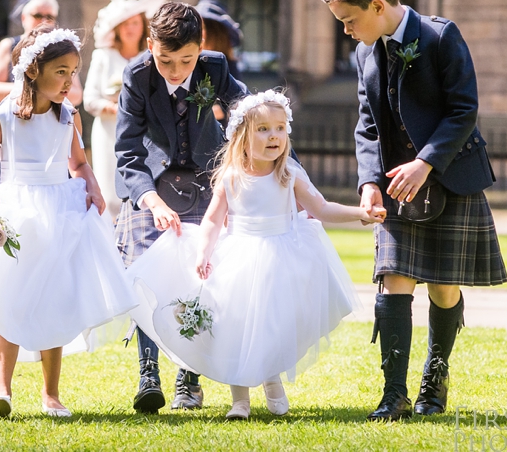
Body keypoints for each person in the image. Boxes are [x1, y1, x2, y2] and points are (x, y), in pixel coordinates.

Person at [321, 0, 507, 421]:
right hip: (395, 189)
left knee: (444, 289)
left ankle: (435, 379)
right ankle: (394, 394)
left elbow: (464, 111)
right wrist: (368, 183)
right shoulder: (365, 52)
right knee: (393, 281)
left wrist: (424, 163)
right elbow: (367, 125)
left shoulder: (441, 36)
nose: (345, 30)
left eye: (348, 19)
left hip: (449, 179)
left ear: (378, 6)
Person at [125, 90, 386, 420]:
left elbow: (320, 208)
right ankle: (240, 400)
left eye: (279, 128)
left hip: (281, 257)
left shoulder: (289, 173)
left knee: (272, 325)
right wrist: (203, 253)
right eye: (263, 129)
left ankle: (272, 380)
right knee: (236, 326)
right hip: (240, 257)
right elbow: (211, 222)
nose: (273, 136)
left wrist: (358, 214)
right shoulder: (232, 177)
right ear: (242, 137)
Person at [0, 24, 137, 419]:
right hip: (18, 208)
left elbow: (78, 162)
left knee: (55, 299)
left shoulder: (68, 117)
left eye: (73, 72)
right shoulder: (7, 116)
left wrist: (93, 189)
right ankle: (3, 389)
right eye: (61, 71)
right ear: (34, 71)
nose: (69, 81)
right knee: (11, 297)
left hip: (60, 210)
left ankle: (52, 394)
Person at [114, 1, 248, 413]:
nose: (175, 70)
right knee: (144, 277)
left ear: (200, 46)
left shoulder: (216, 68)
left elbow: (252, 115)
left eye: (186, 60)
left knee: (198, 279)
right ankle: (148, 372)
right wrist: (150, 200)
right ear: (150, 44)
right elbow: (127, 153)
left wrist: (291, 181)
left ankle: (188, 378)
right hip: (152, 187)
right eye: (165, 59)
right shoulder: (136, 76)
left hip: (206, 184)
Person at [84, 0, 167, 221]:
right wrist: (113, 107)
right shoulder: (103, 56)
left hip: (144, 131)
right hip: (109, 132)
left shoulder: (150, 56)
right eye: (125, 24)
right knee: (109, 187)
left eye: (135, 23)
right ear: (117, 28)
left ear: (143, 25)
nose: (130, 28)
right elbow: (89, 98)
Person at [0, 0, 83, 106]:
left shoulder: (62, 50)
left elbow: (76, 95)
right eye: (38, 15)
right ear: (24, 17)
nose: (44, 21)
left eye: (49, 17)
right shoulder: (9, 45)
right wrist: (34, 89)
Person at [196, 0, 243, 81]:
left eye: (201, 28)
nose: (195, 33)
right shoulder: (189, 61)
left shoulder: (228, 70)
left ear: (215, 34)